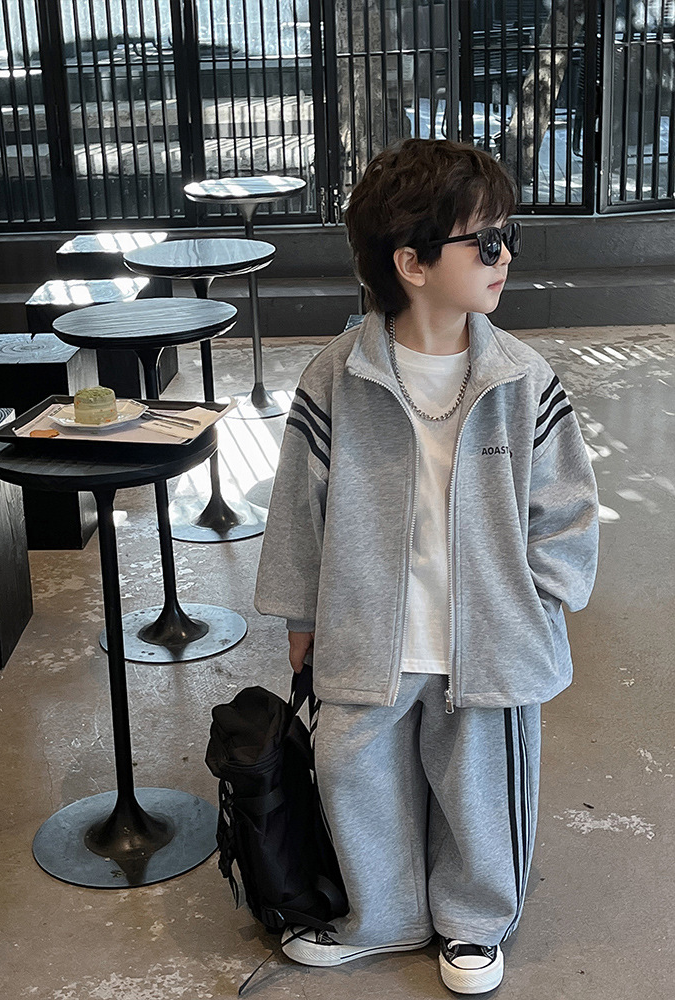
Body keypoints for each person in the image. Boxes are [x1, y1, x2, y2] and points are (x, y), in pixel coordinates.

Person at [253, 137, 599, 995]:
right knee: (353, 773)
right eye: (486, 242)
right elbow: (299, 508)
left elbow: (566, 508)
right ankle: (387, 915)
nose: (505, 256)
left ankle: (475, 921)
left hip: (489, 641)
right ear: (411, 263)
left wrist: (541, 603)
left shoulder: (522, 379)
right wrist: (302, 616)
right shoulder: (337, 377)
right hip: (368, 633)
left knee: (481, 788)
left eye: (508, 236)